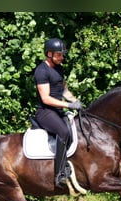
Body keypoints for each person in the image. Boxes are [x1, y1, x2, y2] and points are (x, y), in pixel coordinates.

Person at [34, 38, 83, 187]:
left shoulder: (59, 68)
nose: (62, 58)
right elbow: (46, 98)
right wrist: (69, 105)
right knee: (63, 132)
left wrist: (76, 102)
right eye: (59, 55)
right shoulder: (41, 71)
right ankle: (59, 174)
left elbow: (63, 89)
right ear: (49, 54)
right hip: (45, 112)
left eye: (62, 55)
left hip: (58, 110)